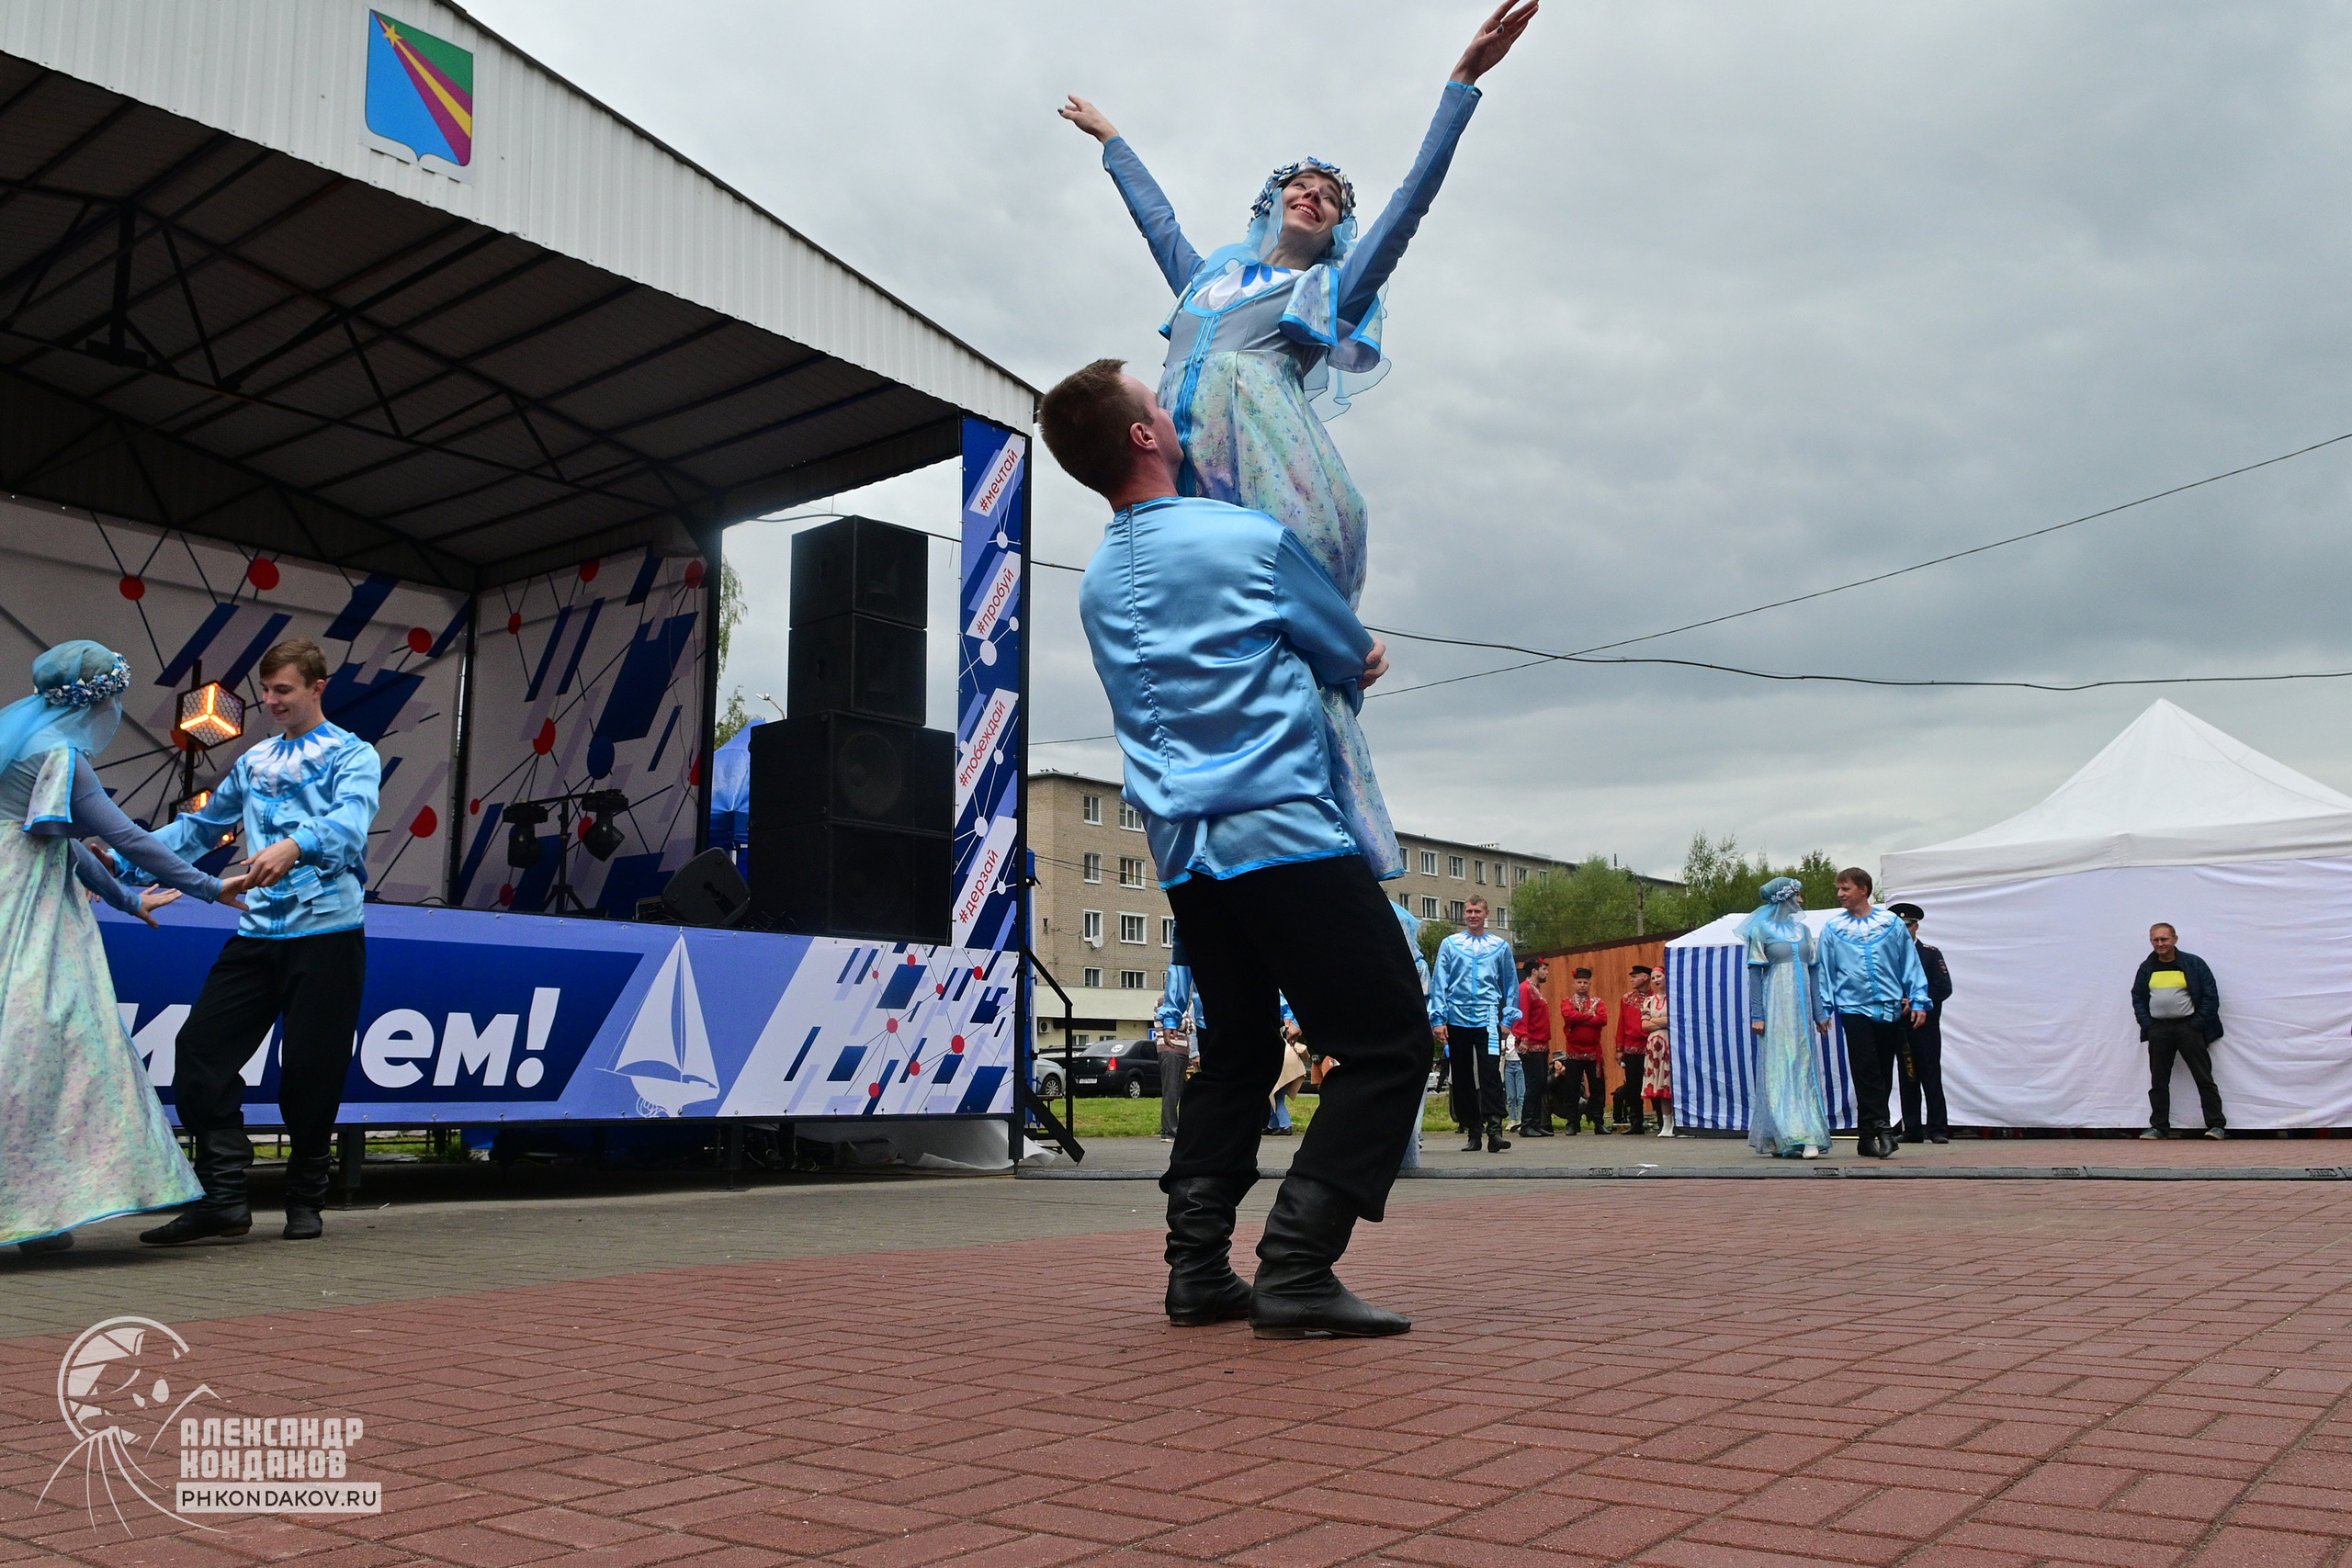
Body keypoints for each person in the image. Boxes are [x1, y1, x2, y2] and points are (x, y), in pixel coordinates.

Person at [1058, 1, 1538, 888]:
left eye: (1332, 197)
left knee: (1286, 629)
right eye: (1302, 183)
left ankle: (1332, 809)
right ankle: (1212, 807)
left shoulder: (1324, 291)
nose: (1316, 194)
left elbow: (1407, 210)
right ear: (1272, 198)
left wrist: (1460, 87)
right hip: (1188, 474)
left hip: (1273, 469)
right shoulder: (1207, 275)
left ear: (1336, 226)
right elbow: (1157, 222)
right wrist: (1113, 143)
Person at [1048, 359, 1430, 1338]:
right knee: (1389, 1040)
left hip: (1184, 854)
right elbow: (1345, 650)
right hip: (1280, 829)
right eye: (1156, 400)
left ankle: (1195, 1270)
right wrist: (1360, 652)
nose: (1174, 411)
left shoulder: (1096, 583)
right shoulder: (1246, 538)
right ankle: (1299, 1261)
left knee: (1239, 1052)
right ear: (1143, 437)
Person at [0, 642, 253, 1256]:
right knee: (42, 1050)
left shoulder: (18, 748)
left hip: (19, 892)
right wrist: (210, 886)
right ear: (99, 698)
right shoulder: (61, 757)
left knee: (40, 1051)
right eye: (114, 695)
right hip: (27, 912)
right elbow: (126, 838)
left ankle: (42, 1211)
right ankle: (33, 1208)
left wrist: (126, 900)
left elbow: (56, 840)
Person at [133, 639, 381, 1246]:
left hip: (328, 935)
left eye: (283, 690)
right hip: (258, 933)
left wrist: (296, 844)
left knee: (310, 1071)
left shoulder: (354, 753)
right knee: (198, 1053)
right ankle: (223, 1197)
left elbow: (351, 824)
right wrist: (118, 862)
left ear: (317, 687)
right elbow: (197, 829)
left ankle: (305, 1196)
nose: (270, 701)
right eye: (266, 690)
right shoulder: (255, 760)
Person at [1818, 868, 1930, 1159]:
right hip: (1854, 1006)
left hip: (1890, 1006)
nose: (1841, 894)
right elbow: (1825, 970)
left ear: (1864, 889)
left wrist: (1918, 999)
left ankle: (1866, 1136)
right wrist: (1824, 1007)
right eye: (1839, 889)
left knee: (1882, 1069)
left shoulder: (1890, 924)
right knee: (1865, 1068)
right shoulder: (1833, 929)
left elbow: (1909, 961)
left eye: (1846, 888)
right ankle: (1883, 1128)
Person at [1742, 878, 1831, 1159]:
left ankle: (1808, 1131)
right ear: (1784, 898)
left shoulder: (1803, 930)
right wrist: (1758, 1015)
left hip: (1802, 1010)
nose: (1801, 900)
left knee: (1803, 1064)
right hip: (1776, 1005)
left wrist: (1820, 1012)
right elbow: (1755, 975)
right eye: (1796, 895)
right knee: (1779, 1066)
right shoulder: (1761, 930)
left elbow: (1815, 972)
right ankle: (1788, 1133)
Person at [1430, 896, 1520, 1153]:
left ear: (1486, 913)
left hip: (1488, 1017)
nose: (1472, 915)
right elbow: (1440, 982)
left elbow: (1510, 984)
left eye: (1477, 911)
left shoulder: (1499, 946)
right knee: (1462, 1075)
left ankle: (1494, 1129)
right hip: (1456, 1016)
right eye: (1468, 911)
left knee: (1491, 1073)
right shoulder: (1450, 944)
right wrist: (1438, 1019)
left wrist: (1508, 1018)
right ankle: (1472, 1131)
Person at [2132, 923, 2225, 1140]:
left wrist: (2197, 1024)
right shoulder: (2147, 968)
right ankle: (2159, 1127)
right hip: (2159, 1030)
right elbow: (2138, 996)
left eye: (2164, 939)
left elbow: (2211, 996)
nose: (2160, 944)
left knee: (2203, 1077)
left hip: (2189, 1028)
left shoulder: (2193, 964)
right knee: (2159, 1081)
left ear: (2175, 939)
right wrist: (2148, 1024)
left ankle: (2216, 1125)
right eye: (2155, 940)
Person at [1887, 903, 1953, 1144]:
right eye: (1900, 927)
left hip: (1925, 1025)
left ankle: (1937, 1129)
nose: (1905, 931)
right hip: (1900, 1023)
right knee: (1907, 1076)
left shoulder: (1929, 953)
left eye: (1909, 925)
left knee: (1930, 1074)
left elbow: (1943, 988)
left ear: (1917, 926)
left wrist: (1918, 1002)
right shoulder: (1888, 955)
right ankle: (1912, 1128)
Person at [1555, 968, 1608, 1135]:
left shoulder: (1599, 1002)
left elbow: (1603, 1019)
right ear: (1574, 984)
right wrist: (1590, 1016)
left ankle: (1598, 1122)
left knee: (1597, 1088)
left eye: (1585, 982)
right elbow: (1568, 1016)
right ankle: (1572, 1123)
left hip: (1594, 1053)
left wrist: (1580, 1016)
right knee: (1572, 1088)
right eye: (1579, 982)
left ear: (1590, 984)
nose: (1582, 985)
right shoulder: (1567, 1001)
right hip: (1574, 1052)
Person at [1154, 962, 1202, 1141]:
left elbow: (1190, 1026)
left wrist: (1185, 1023)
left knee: (1178, 1091)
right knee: (1171, 1091)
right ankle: (1169, 1130)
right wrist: (1183, 1022)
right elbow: (1186, 1024)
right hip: (1170, 1050)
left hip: (1181, 1051)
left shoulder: (1178, 1006)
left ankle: (1174, 1127)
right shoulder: (1164, 1002)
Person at [1512, 959, 1553, 1137]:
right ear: (1534, 971)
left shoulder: (1536, 990)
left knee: (1540, 1083)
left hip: (1541, 1044)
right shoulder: (1525, 989)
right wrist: (1523, 1038)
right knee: (1534, 1083)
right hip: (1531, 1044)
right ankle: (1527, 1123)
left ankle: (1535, 1123)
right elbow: (1521, 1014)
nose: (1547, 972)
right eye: (1544, 969)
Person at [1612, 964, 1654, 1134]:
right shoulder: (1626, 998)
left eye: (1635, 976)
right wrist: (1619, 1048)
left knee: (1655, 1082)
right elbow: (1621, 1023)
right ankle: (1636, 1121)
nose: (1632, 979)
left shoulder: (1657, 997)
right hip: (1632, 1047)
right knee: (1633, 1085)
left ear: (1645, 977)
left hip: (1651, 1045)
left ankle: (1662, 1118)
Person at [1643, 969, 1674, 1136]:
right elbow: (1644, 1025)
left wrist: (1654, 1021)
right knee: (1659, 1083)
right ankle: (1666, 1122)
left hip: (1669, 1044)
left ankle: (1676, 1122)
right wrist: (1661, 1022)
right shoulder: (1649, 1001)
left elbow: (1673, 1020)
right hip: (1655, 1047)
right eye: (1653, 978)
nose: (1656, 980)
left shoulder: (1674, 998)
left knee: (1670, 1082)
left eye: (1659, 976)